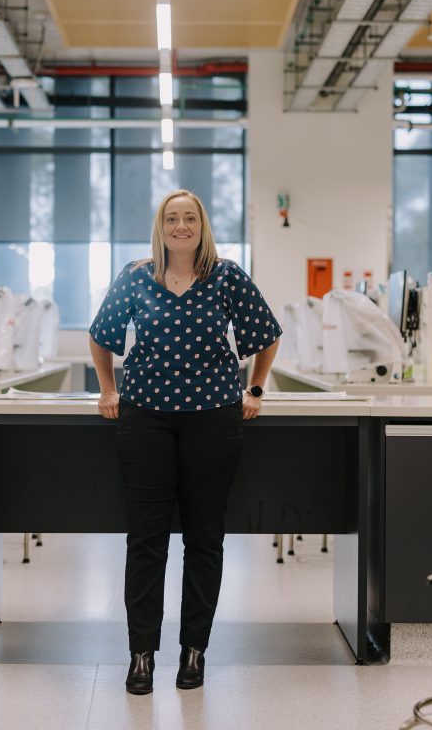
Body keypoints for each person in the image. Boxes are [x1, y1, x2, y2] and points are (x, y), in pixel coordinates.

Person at [88, 188, 282, 695]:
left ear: (202, 225)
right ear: (161, 226)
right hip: (145, 418)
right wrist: (108, 389)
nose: (180, 226)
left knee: (204, 538)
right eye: (171, 218)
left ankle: (194, 650)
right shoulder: (136, 276)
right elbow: (101, 334)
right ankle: (141, 655)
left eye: (189, 218)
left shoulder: (226, 275)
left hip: (213, 420)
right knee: (147, 540)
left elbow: (266, 333)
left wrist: (255, 388)